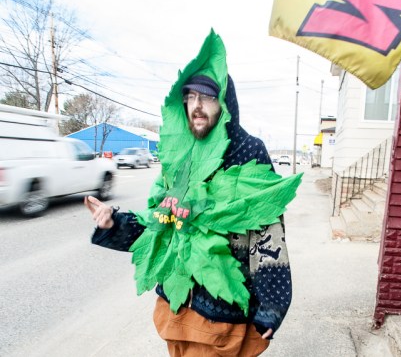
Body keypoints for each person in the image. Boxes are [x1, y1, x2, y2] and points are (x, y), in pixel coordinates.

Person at [84, 31, 301, 356]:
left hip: (222, 313)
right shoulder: (180, 156)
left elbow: (268, 233)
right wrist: (113, 224)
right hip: (175, 306)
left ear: (225, 101)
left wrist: (271, 304)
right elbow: (164, 221)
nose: (197, 106)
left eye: (208, 97)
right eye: (190, 97)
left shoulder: (248, 151)